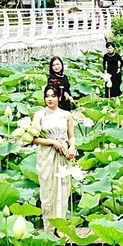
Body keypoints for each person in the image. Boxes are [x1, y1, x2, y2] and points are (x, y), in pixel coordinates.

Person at [32, 85, 76, 229]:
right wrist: (52, 142)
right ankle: (49, 228)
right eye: (47, 96)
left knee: (63, 190)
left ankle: (60, 228)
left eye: (53, 96)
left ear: (59, 97)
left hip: (63, 156)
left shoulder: (66, 115)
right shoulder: (39, 115)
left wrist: (72, 147)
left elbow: (71, 136)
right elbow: (34, 139)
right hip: (47, 156)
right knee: (48, 191)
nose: (49, 99)